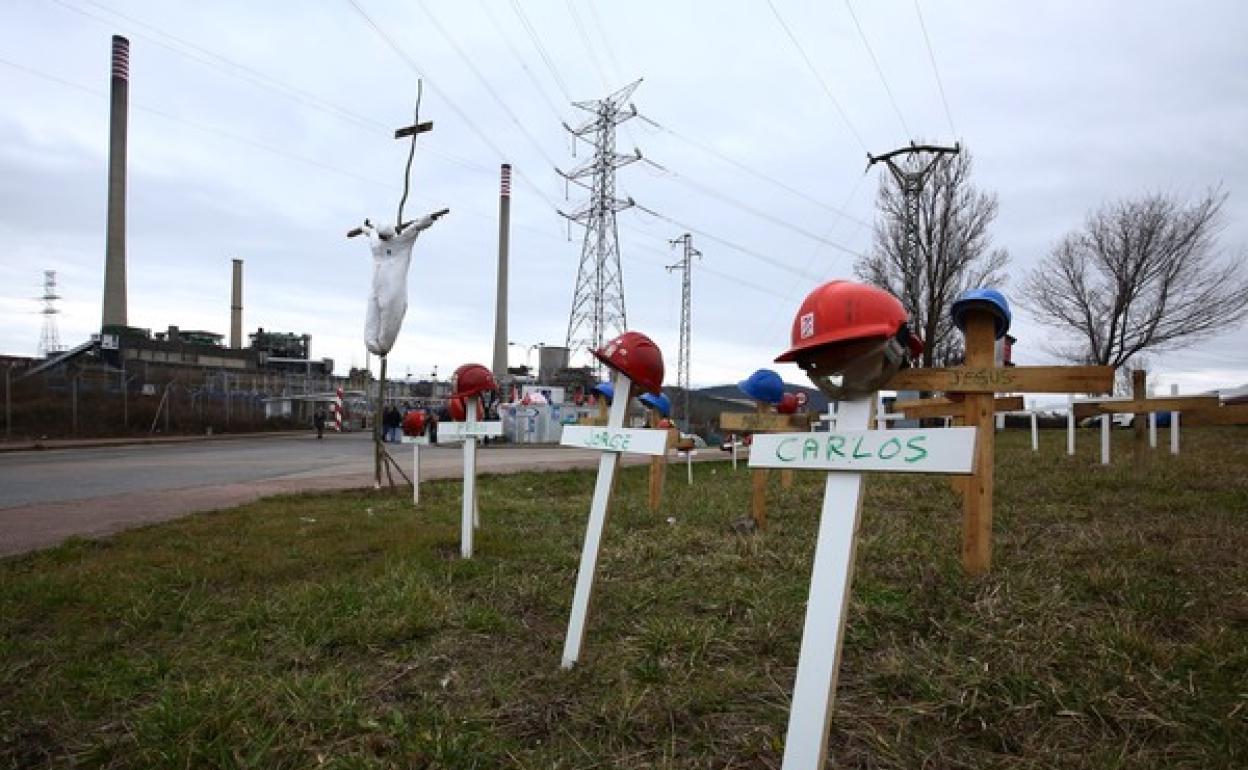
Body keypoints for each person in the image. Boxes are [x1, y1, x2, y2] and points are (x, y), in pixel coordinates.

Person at [358, 210, 448, 357]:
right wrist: (365, 228)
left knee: (388, 314)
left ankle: (381, 346)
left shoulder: (393, 242)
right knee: (379, 313)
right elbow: (415, 226)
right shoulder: (389, 242)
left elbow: (416, 226)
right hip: (382, 287)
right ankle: (376, 345)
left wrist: (430, 218)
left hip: (389, 287)